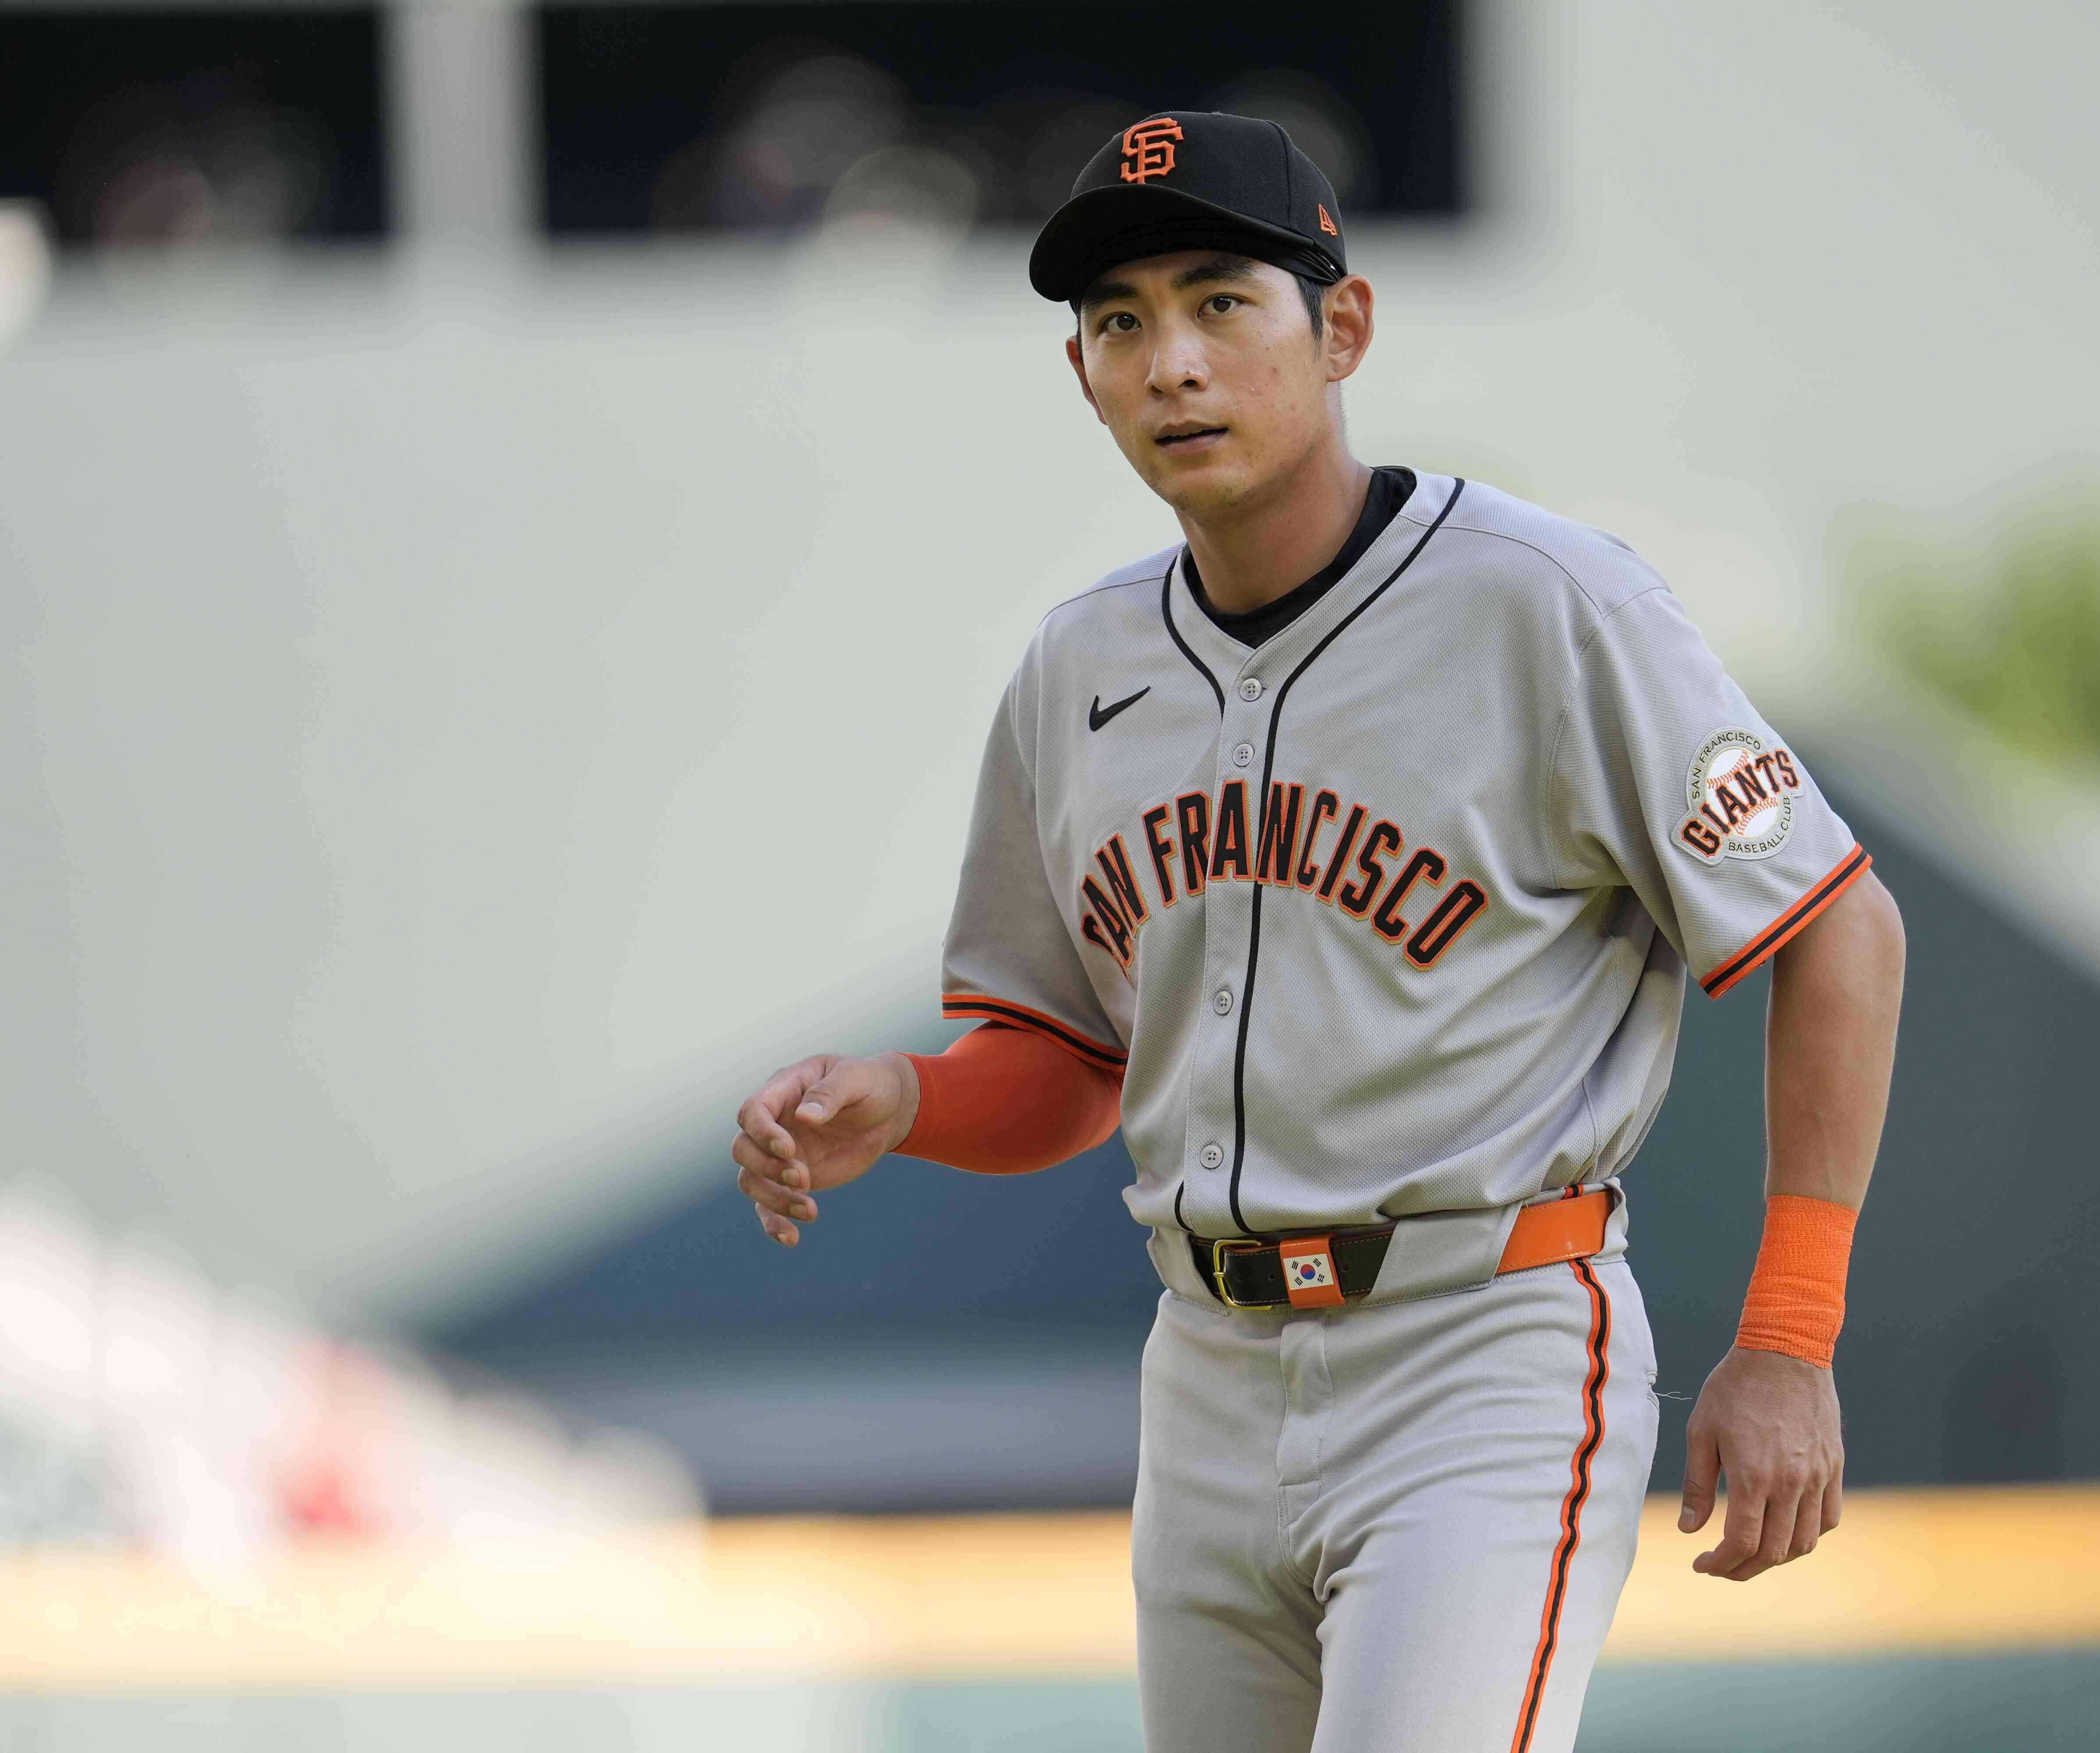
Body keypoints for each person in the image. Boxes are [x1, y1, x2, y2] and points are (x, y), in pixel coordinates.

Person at [730, 110, 1906, 1753]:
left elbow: (1839, 929)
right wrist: (910, 1100)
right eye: (1119, 322)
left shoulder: (1545, 603)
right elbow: (1069, 1057)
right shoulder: (1079, 674)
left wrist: (1787, 1339)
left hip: (1476, 1344)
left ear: (1340, 328)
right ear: (1081, 376)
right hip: (1204, 1368)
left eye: (1223, 301)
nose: (1171, 363)